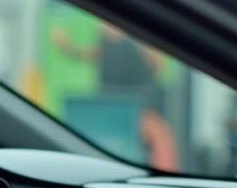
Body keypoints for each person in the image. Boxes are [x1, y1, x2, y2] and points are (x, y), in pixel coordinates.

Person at [49, 21, 178, 171]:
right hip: (112, 106)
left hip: (140, 106)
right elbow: (83, 53)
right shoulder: (105, 47)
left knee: (159, 138)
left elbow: (156, 64)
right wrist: (64, 45)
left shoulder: (138, 44)